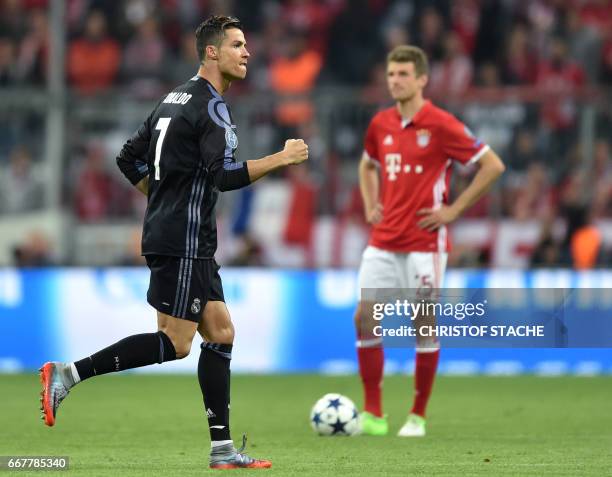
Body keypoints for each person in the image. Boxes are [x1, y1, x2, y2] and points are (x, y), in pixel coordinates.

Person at [39, 15, 308, 470]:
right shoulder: (212, 106)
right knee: (176, 343)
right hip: (183, 239)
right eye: (238, 45)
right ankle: (68, 374)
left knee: (221, 332)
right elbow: (222, 176)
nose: (247, 53)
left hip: (184, 235)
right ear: (211, 52)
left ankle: (222, 450)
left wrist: (163, 200)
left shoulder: (172, 98)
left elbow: (128, 158)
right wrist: (280, 158)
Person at [355, 45, 504, 437]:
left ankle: (417, 415)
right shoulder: (381, 123)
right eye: (391, 74)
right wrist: (372, 203)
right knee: (364, 316)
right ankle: (373, 414)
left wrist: (453, 211)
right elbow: (366, 163)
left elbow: (493, 165)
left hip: (425, 243)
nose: (395, 81)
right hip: (384, 240)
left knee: (422, 322)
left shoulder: (441, 124)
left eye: (403, 74)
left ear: (422, 79)